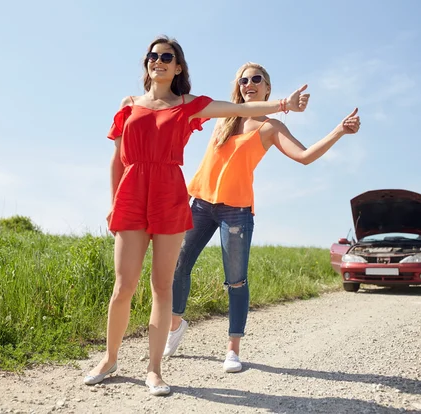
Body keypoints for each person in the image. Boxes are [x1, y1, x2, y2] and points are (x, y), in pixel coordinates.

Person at [83, 39, 311, 396]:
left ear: (178, 68)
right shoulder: (128, 105)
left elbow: (231, 106)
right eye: (153, 56)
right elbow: (116, 159)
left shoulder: (188, 106)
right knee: (123, 286)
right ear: (147, 64)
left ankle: (154, 371)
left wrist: (284, 105)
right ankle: (109, 359)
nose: (158, 61)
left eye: (166, 57)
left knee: (162, 287)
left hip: (169, 196)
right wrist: (114, 202)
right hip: (130, 195)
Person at [163, 62, 361, 373]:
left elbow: (305, 157)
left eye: (257, 79)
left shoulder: (271, 128)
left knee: (236, 280)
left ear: (267, 88)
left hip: (236, 211)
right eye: (244, 80)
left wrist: (339, 130)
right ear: (238, 87)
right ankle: (175, 326)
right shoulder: (224, 117)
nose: (249, 83)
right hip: (200, 203)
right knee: (179, 264)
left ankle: (232, 348)